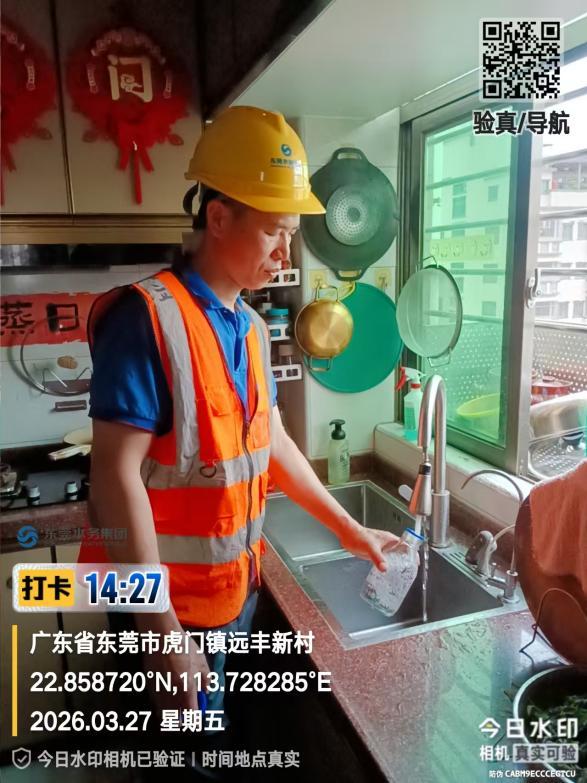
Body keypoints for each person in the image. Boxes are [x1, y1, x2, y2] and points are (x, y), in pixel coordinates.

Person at [81, 105, 399, 766]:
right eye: (275, 232)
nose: (287, 252)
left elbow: (272, 444)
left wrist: (349, 530)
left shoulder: (250, 328)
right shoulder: (145, 318)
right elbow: (112, 476)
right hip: (168, 613)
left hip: (232, 597)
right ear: (219, 218)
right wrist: (159, 630)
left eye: (292, 234)